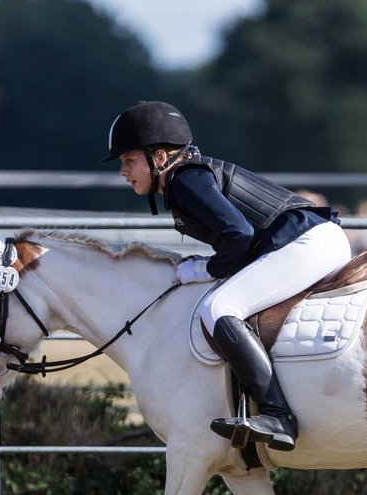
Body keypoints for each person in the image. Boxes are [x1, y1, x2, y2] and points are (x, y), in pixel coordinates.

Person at [104, 100, 352, 451]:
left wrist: (200, 269)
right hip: (311, 238)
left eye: (129, 161)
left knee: (218, 308)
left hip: (305, 243)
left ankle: (277, 413)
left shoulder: (185, 181)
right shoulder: (188, 176)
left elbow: (238, 236)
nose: (123, 172)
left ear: (159, 158)